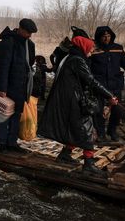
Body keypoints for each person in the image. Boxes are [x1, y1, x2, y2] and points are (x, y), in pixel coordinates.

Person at [38, 36, 118, 175]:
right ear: (84, 47)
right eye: (91, 48)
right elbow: (91, 81)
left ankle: (65, 154)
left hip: (68, 99)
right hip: (72, 101)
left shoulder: (71, 57)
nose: (92, 51)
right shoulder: (77, 60)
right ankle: (89, 163)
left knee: (75, 128)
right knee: (87, 129)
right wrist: (109, 95)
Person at [90, 26, 125, 142]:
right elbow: (88, 66)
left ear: (111, 36)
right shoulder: (93, 49)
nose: (106, 38)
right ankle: (101, 133)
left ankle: (112, 131)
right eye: (103, 36)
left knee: (117, 110)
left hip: (115, 84)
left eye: (108, 36)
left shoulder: (118, 48)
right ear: (99, 37)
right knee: (99, 111)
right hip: (100, 85)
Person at [0, 18, 37, 153]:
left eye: (31, 33)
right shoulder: (8, 42)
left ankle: (12, 143)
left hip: (22, 85)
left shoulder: (29, 45)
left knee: (17, 115)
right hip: (8, 85)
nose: (29, 35)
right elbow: (3, 67)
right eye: (28, 32)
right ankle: (1, 142)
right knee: (4, 115)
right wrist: (1, 88)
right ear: (20, 29)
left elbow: (29, 65)